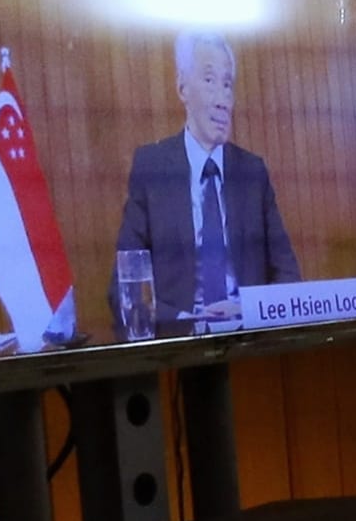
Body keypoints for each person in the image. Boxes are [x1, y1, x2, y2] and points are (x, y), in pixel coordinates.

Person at [115, 31, 300, 326]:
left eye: (228, 85)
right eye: (210, 81)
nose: (222, 100)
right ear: (182, 87)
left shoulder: (252, 172)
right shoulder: (152, 168)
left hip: (248, 338)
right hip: (179, 341)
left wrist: (248, 311)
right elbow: (124, 287)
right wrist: (188, 321)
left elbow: (288, 275)